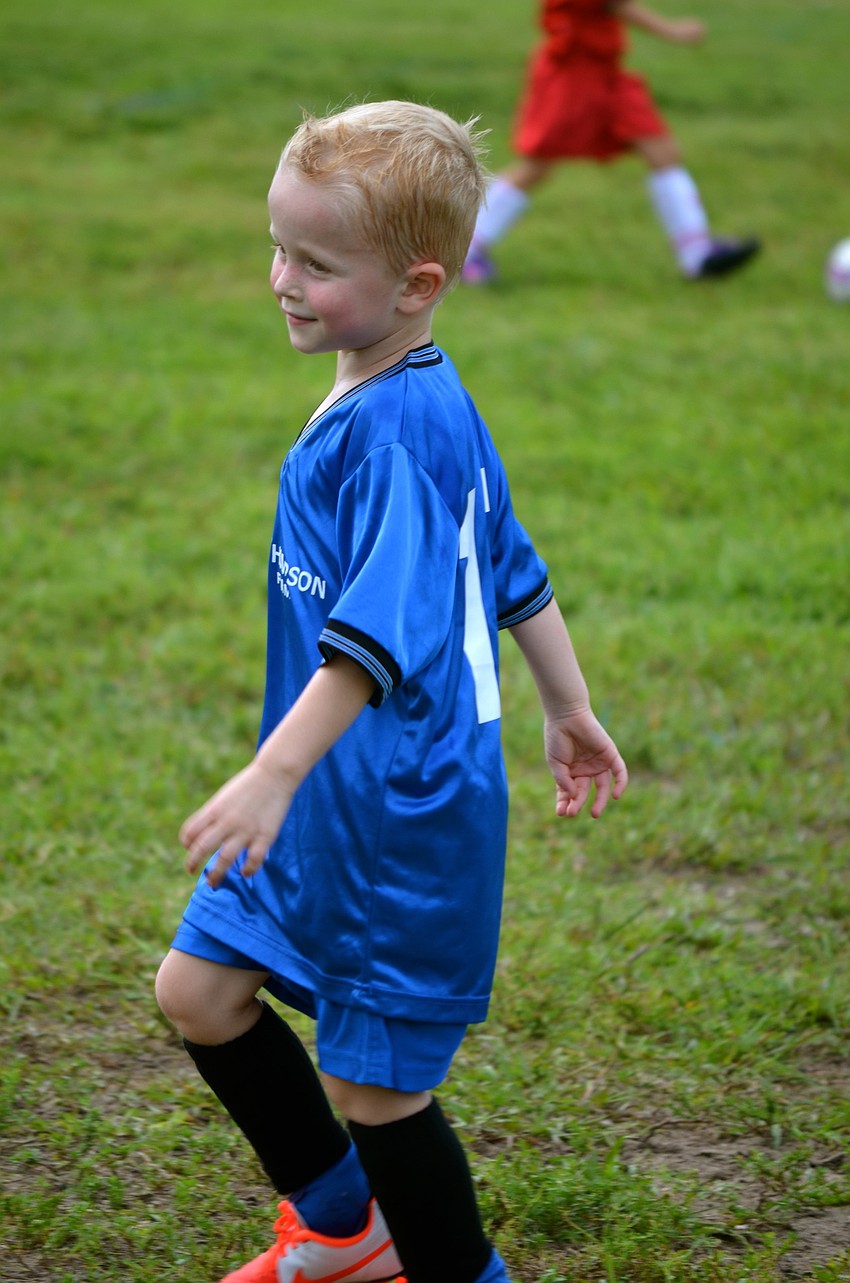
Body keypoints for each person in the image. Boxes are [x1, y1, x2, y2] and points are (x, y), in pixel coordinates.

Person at [155, 99, 628, 1283]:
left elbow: (373, 639)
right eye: (278, 248)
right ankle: (343, 1227)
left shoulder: (404, 433)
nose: (283, 280)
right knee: (200, 990)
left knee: (375, 1088)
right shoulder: (398, 381)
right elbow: (509, 563)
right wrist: (568, 705)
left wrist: (272, 771)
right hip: (330, 789)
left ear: (418, 284)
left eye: (317, 264)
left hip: (393, 813)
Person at [462, 0, 761, 283]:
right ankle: (467, 249)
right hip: (573, 71)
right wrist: (674, 30)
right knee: (537, 164)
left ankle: (697, 254)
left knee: (661, 151)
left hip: (606, 71)